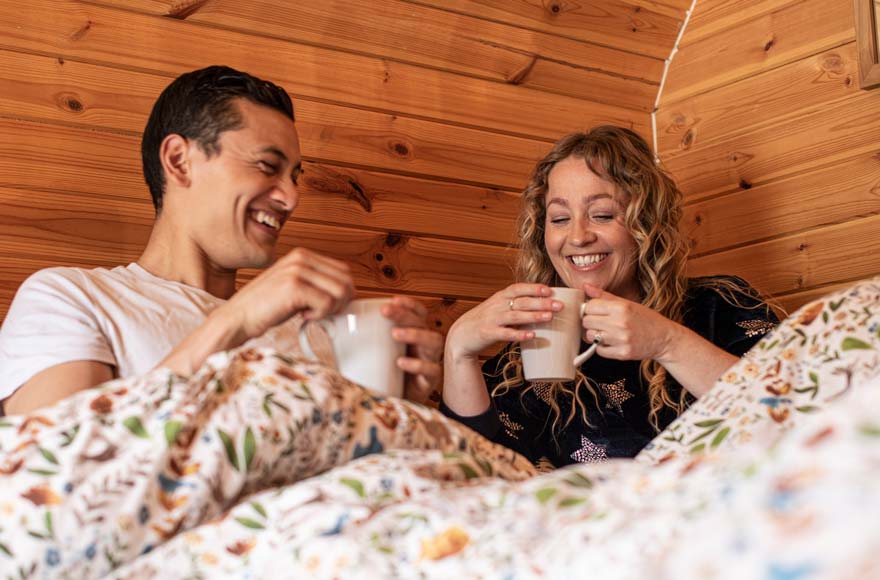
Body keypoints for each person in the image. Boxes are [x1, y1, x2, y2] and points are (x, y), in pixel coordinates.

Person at [0, 65, 442, 415]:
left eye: (294, 177)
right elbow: (51, 479)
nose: (290, 197)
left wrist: (398, 406)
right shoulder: (72, 298)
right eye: (268, 167)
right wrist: (234, 322)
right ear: (179, 161)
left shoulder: (313, 334)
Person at [440, 127, 778, 468]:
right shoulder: (526, 355)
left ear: (645, 223)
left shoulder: (718, 304)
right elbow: (472, 473)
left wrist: (667, 342)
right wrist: (458, 352)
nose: (578, 237)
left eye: (601, 215)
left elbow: (790, 408)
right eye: (559, 218)